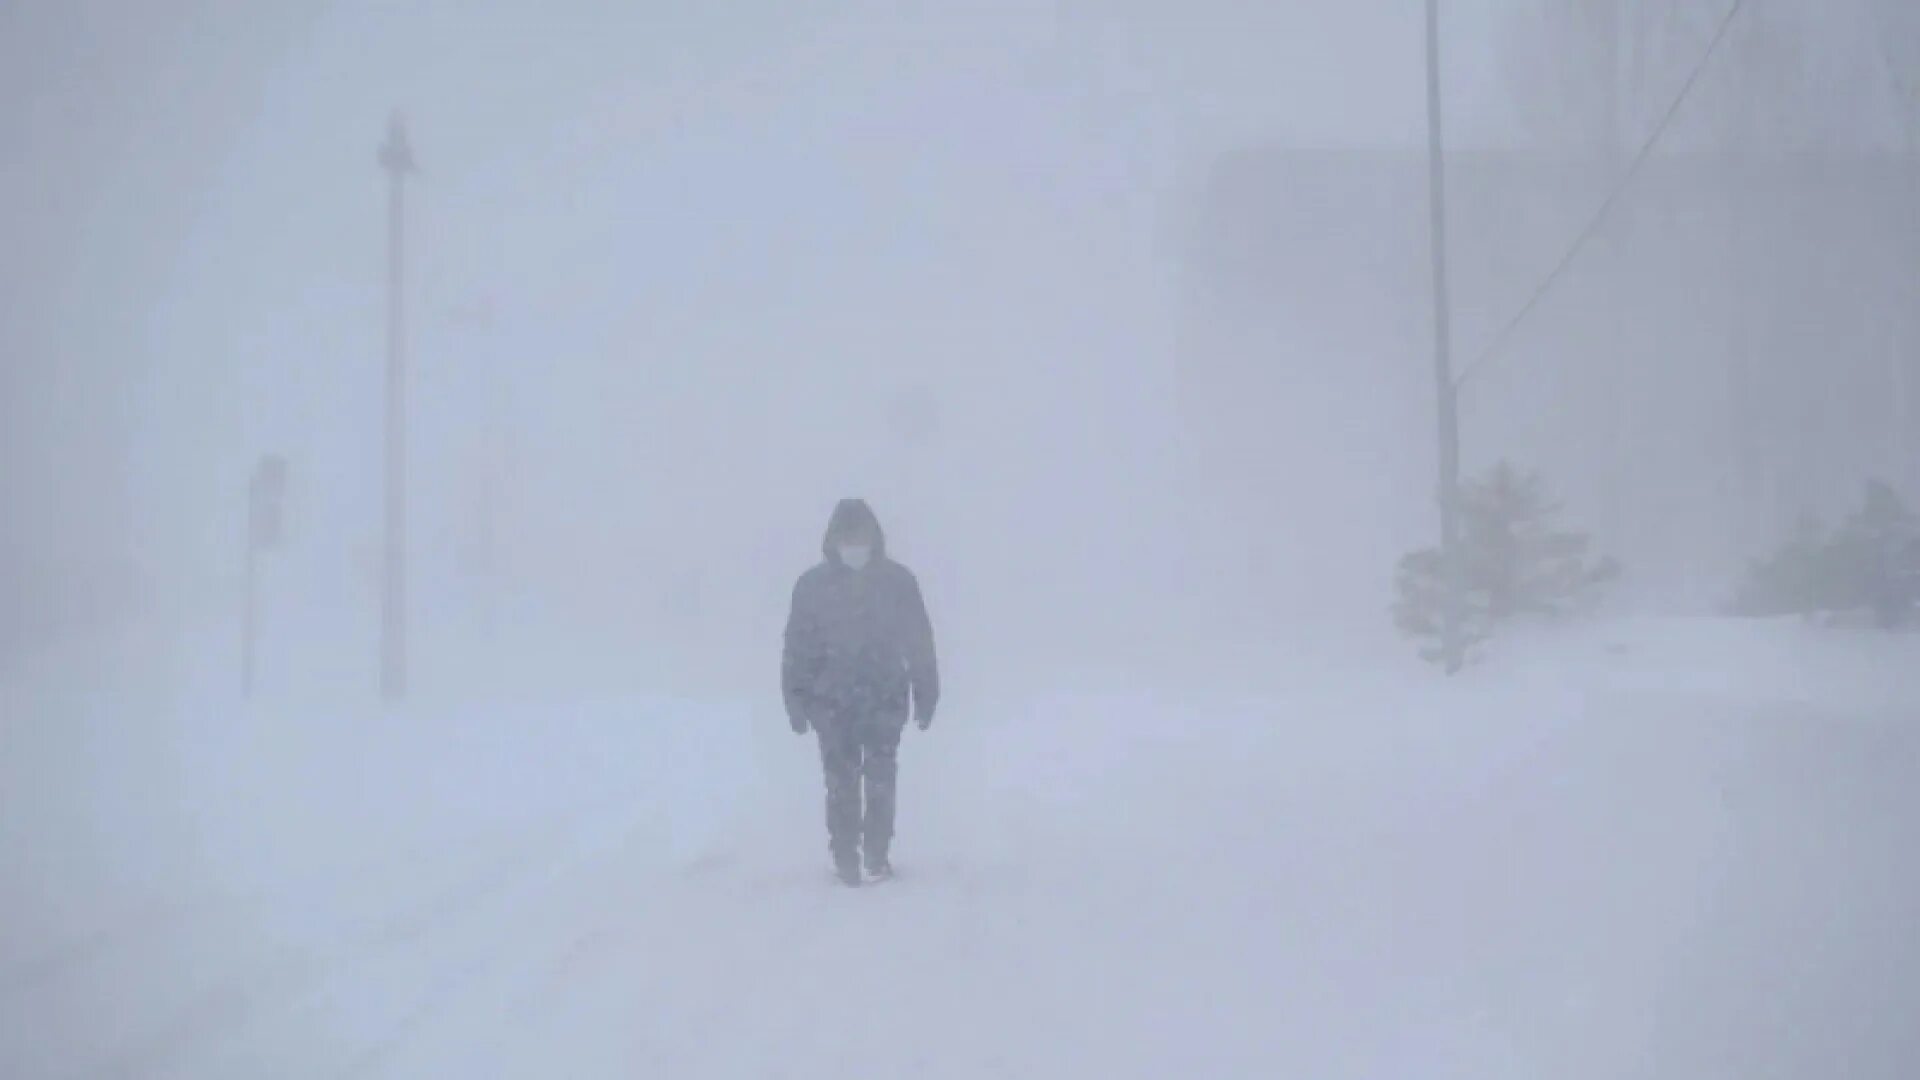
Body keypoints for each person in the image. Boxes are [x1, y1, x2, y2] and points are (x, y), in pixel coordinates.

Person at [782, 499, 939, 886]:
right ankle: (844, 854)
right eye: (846, 537)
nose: (854, 545)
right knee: (840, 780)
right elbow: (797, 647)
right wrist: (795, 697)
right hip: (831, 702)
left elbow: (919, 640)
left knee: (882, 776)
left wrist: (927, 690)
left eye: (860, 537)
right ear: (832, 541)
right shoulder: (811, 586)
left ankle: (876, 853)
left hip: (884, 697)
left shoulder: (898, 583)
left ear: (875, 538)